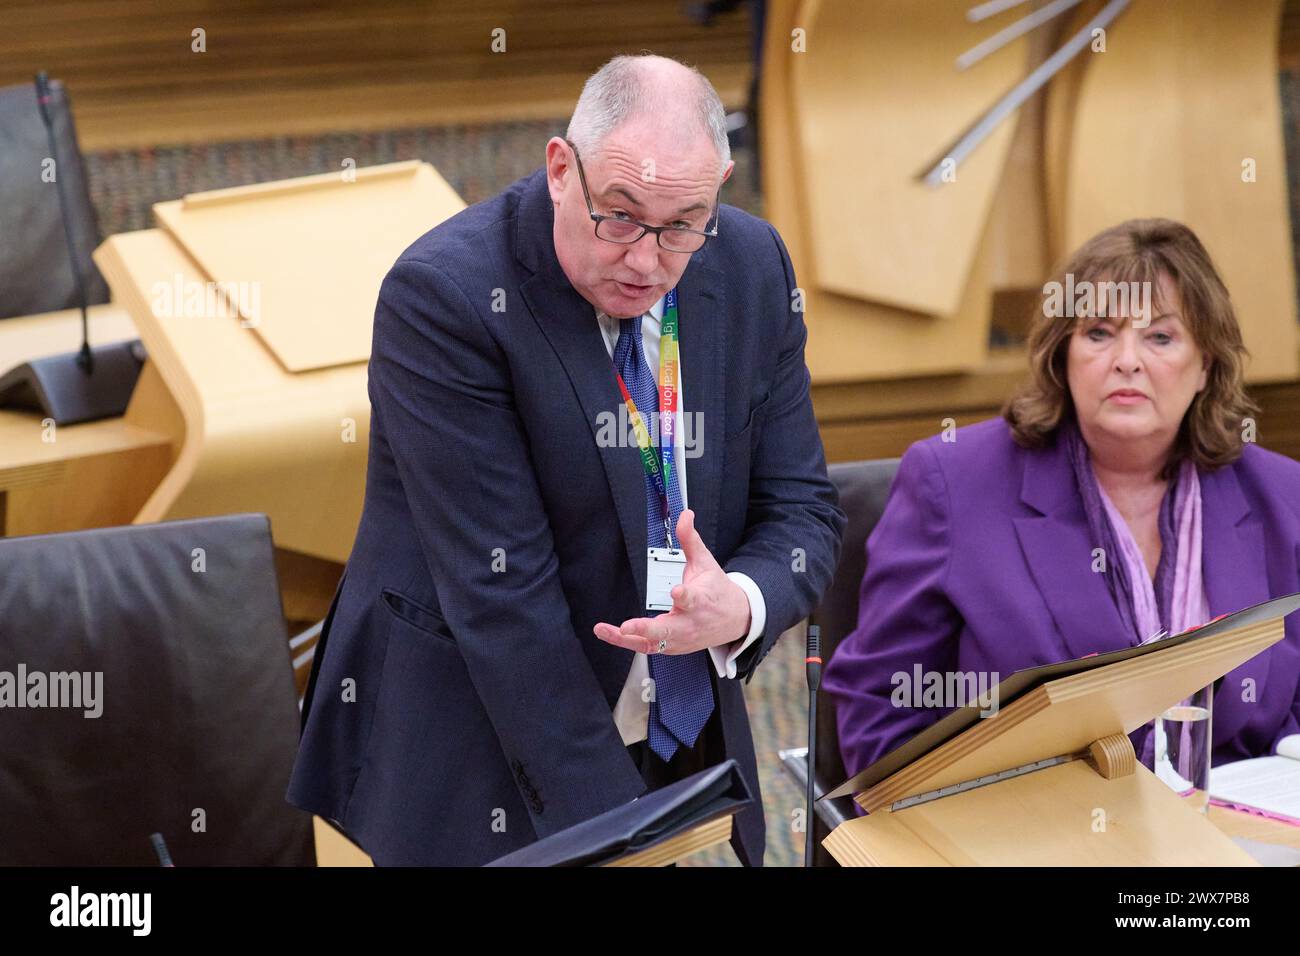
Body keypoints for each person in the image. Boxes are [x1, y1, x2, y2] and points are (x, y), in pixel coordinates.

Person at [287, 54, 845, 866]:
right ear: (560, 170)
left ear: (720, 186)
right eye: (619, 216)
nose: (647, 261)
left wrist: (744, 603)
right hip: (477, 734)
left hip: (675, 709)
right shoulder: (445, 299)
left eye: (684, 222)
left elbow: (803, 508)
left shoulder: (753, 267)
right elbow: (505, 601)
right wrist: (622, 844)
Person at [824, 218, 1300, 780]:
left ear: (1206, 367)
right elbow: (881, 702)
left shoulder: (1281, 495)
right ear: (1062, 355)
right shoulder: (952, 482)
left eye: (1161, 337)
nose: (1127, 360)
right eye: (1099, 333)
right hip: (1027, 829)